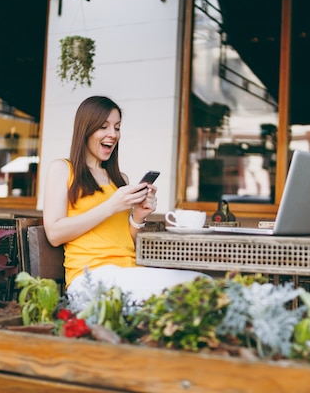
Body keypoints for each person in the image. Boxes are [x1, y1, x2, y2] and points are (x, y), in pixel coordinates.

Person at [43, 96, 206, 304]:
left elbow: (123, 240)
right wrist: (111, 206)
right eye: (104, 127)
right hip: (90, 278)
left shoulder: (120, 180)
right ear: (86, 129)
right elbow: (55, 234)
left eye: (117, 127)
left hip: (128, 272)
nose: (113, 134)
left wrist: (138, 216)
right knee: (194, 291)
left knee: (202, 283)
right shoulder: (63, 169)